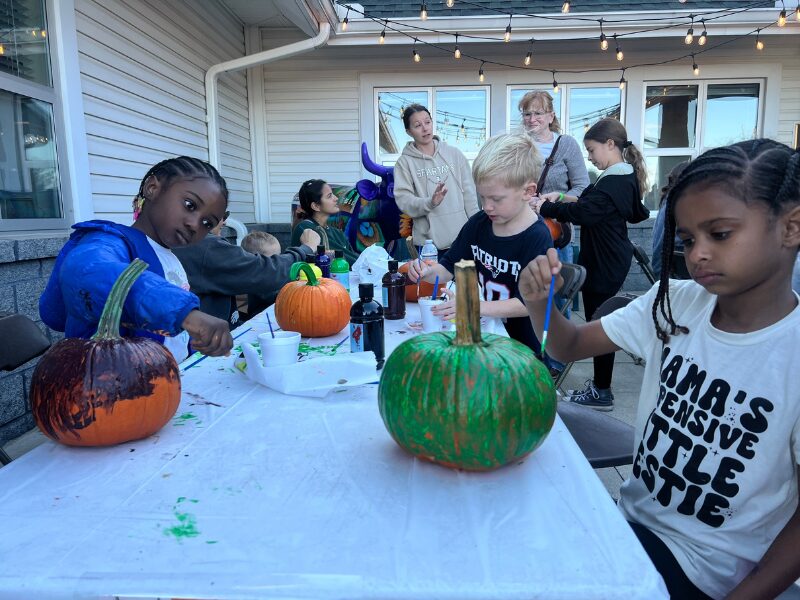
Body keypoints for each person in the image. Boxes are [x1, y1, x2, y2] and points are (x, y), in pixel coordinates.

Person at [521, 139, 800, 600]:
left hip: (708, 570)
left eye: (720, 234)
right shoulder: (674, 302)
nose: (698, 254)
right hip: (630, 527)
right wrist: (540, 303)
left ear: (791, 227)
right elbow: (569, 344)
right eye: (688, 239)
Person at [39, 156, 234, 362]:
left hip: (171, 379)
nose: (195, 224)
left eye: (206, 222)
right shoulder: (108, 241)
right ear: (152, 188)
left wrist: (196, 347)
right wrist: (186, 314)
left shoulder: (169, 257)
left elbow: (169, 338)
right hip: (113, 385)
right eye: (189, 205)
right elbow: (87, 271)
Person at [531, 117, 649, 410]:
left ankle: (602, 391)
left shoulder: (615, 181)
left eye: (592, 150)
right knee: (601, 321)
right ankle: (600, 388)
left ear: (610, 145)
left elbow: (586, 213)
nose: (589, 156)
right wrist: (560, 196)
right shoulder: (621, 177)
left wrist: (545, 207)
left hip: (604, 264)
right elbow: (601, 207)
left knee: (601, 325)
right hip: (609, 259)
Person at [406, 133, 552, 353]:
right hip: (485, 336)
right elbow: (448, 267)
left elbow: (527, 304)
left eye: (496, 199)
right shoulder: (479, 224)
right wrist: (425, 272)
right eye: (482, 197)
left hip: (521, 348)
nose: (487, 207)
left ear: (528, 192)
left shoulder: (537, 237)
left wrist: (471, 306)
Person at [174, 217, 318, 328]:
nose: (224, 221)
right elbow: (264, 272)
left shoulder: (182, 243)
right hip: (207, 346)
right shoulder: (204, 246)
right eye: (221, 214)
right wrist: (306, 249)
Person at [393, 104, 480, 255]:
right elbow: (404, 201)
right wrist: (430, 202)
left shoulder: (454, 154)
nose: (425, 128)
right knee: (432, 280)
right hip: (428, 247)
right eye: (417, 125)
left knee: (464, 280)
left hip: (463, 241)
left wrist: (478, 229)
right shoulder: (404, 163)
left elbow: (470, 195)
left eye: (427, 122)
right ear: (408, 132)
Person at [290, 179, 359, 265]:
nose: (336, 198)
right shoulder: (305, 229)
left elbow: (353, 258)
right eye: (329, 196)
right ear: (316, 206)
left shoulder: (337, 233)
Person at [651, 161, 691, 279]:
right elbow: (661, 242)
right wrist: (660, 276)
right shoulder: (674, 202)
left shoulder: (671, 200)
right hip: (675, 275)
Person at [241, 231, 288, 318]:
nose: (278, 263)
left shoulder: (275, 274)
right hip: (261, 318)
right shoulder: (257, 278)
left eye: (279, 257)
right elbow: (273, 296)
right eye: (272, 261)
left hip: (278, 315)